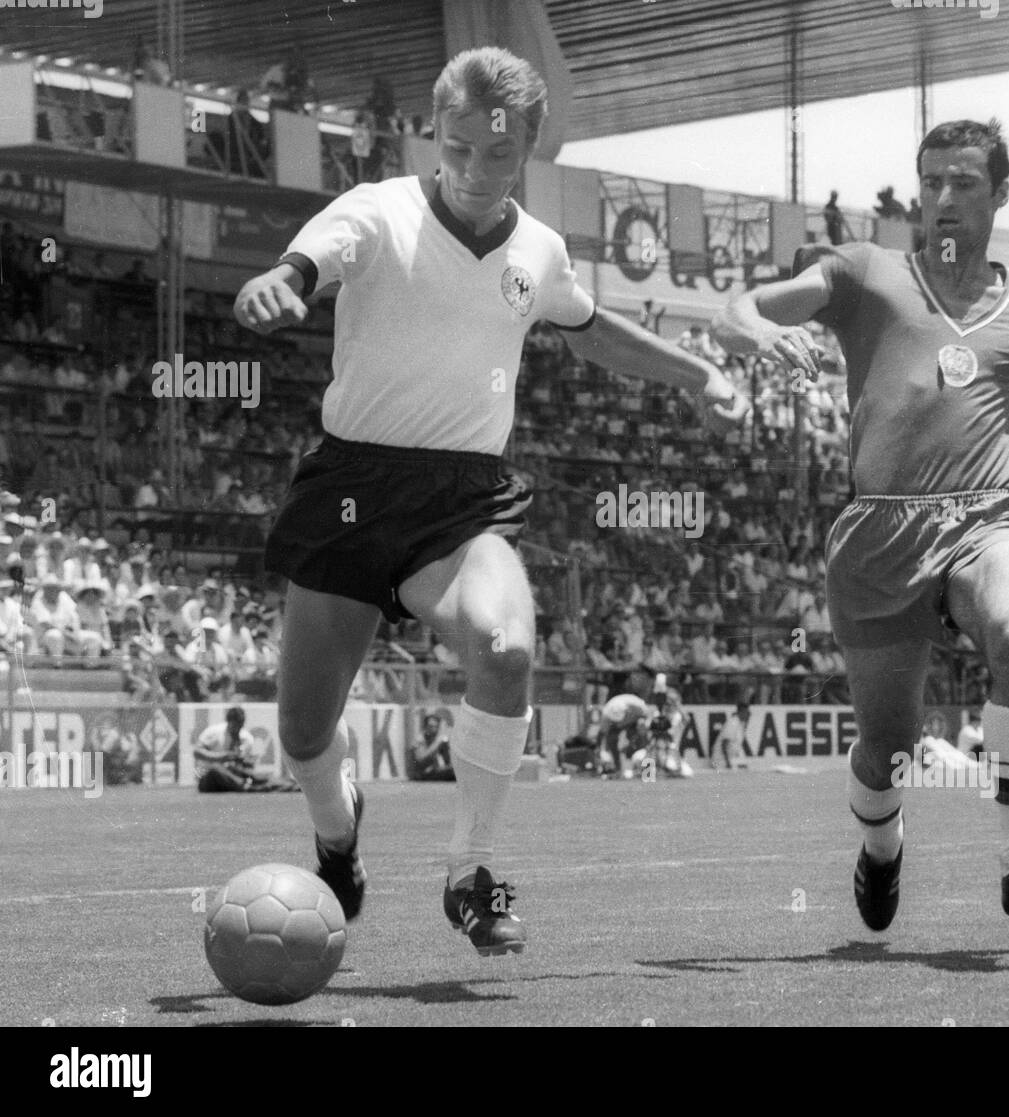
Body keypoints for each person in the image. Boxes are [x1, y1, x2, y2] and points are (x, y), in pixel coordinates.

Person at [233, 47, 748, 955]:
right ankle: (338, 831)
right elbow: (314, 258)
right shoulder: (378, 209)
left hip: (461, 502)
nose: (473, 172)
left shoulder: (539, 252)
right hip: (350, 488)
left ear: (528, 152)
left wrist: (697, 370)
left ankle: (470, 872)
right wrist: (286, 280)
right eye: (456, 148)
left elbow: (593, 333)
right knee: (304, 729)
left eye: (496, 156)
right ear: (434, 133)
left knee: (508, 646)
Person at [712, 118, 1009, 931]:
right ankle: (882, 844)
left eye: (964, 183)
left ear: (999, 193)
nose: (944, 198)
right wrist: (757, 329)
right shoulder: (866, 274)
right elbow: (737, 306)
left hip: (993, 517)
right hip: (879, 535)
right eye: (931, 182)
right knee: (887, 750)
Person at [194, 706, 298, 792]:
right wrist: (222, 757)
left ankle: (291, 785)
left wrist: (244, 761)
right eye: (234, 726)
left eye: (240, 726)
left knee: (257, 776)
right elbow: (197, 752)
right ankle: (246, 786)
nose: (237, 730)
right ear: (228, 722)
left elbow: (247, 766)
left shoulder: (246, 738)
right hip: (209, 779)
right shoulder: (214, 732)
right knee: (216, 768)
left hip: (233, 776)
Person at [409, 710, 456, 782]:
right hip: (422, 774)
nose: (433, 729)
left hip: (434, 771)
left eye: (436, 726)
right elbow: (420, 758)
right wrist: (437, 743)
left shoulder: (437, 739)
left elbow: (447, 761)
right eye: (430, 726)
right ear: (425, 727)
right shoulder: (420, 739)